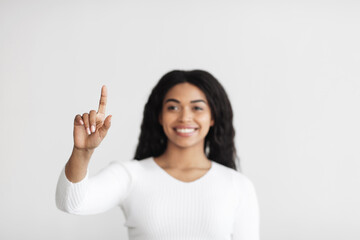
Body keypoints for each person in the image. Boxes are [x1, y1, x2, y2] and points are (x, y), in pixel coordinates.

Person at [56, 70, 260, 240]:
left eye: (197, 107)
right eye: (173, 107)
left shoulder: (238, 185)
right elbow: (71, 203)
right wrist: (83, 151)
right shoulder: (130, 176)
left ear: (213, 117)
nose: (185, 117)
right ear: (160, 116)